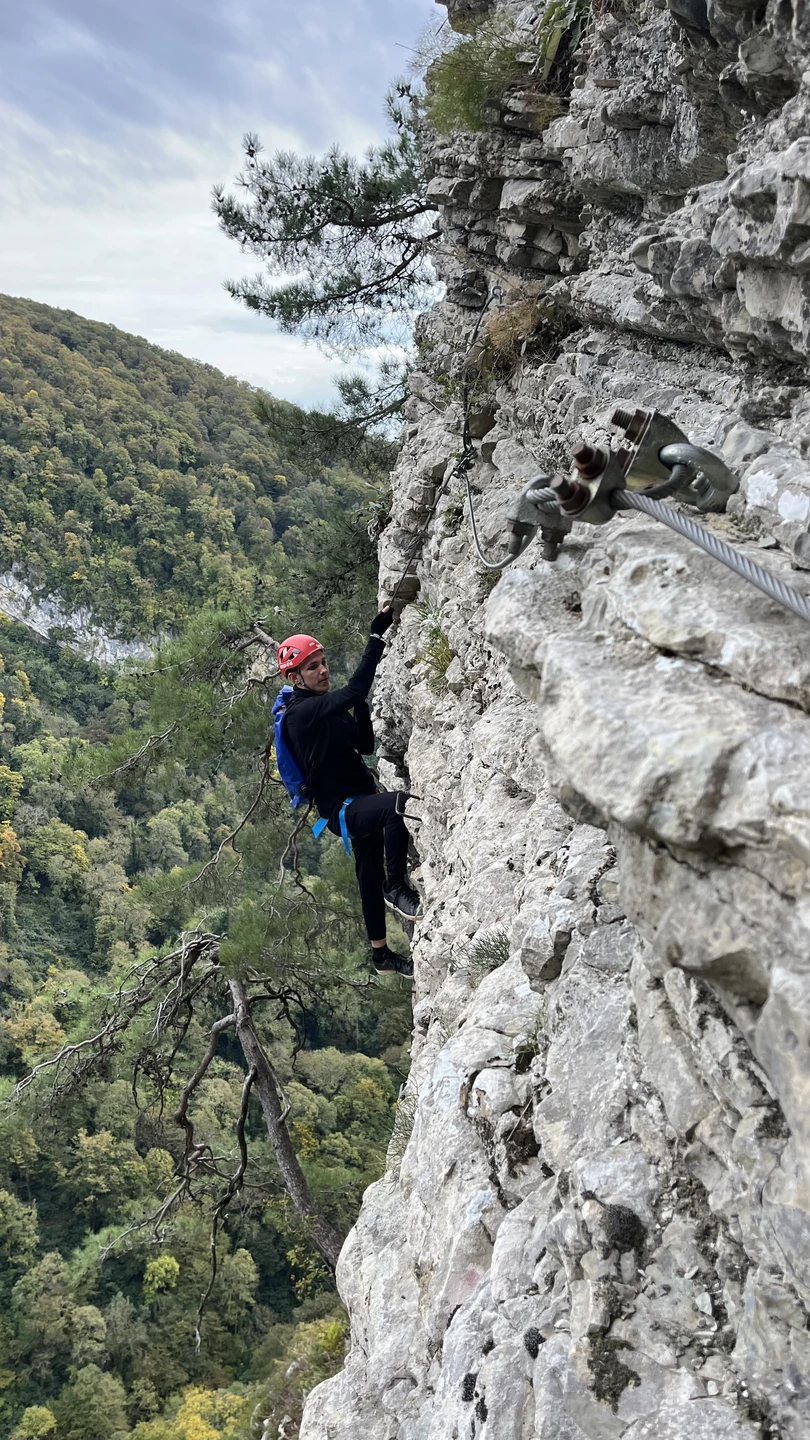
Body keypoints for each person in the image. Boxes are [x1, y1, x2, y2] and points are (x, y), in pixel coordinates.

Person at [277, 607, 420, 977]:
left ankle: (381, 956)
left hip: (359, 798)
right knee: (398, 807)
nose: (323, 670)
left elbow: (365, 744)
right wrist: (376, 637)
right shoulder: (301, 714)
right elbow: (356, 687)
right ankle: (396, 887)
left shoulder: (327, 708)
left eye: (323, 663)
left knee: (365, 872)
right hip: (343, 809)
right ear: (295, 677)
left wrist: (361, 707)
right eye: (313, 667)